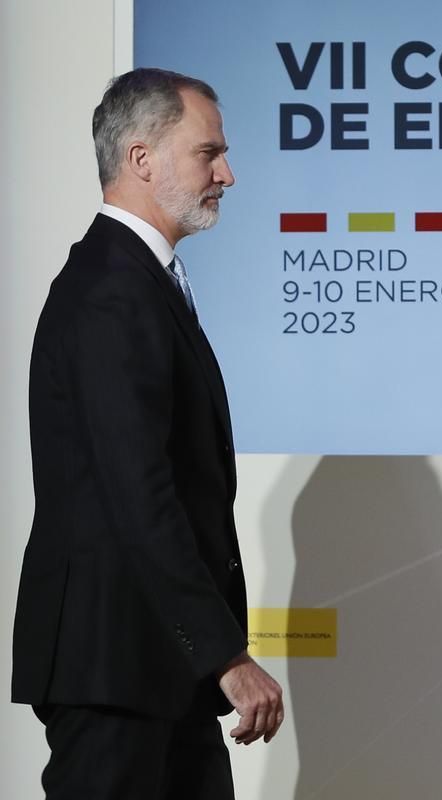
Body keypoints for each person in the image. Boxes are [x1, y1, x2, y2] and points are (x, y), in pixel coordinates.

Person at [11, 68, 283, 799]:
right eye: (208, 153)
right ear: (141, 159)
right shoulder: (109, 288)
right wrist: (226, 653)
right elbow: (138, 492)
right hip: (117, 669)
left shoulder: (139, 280)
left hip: (160, 667)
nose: (227, 173)